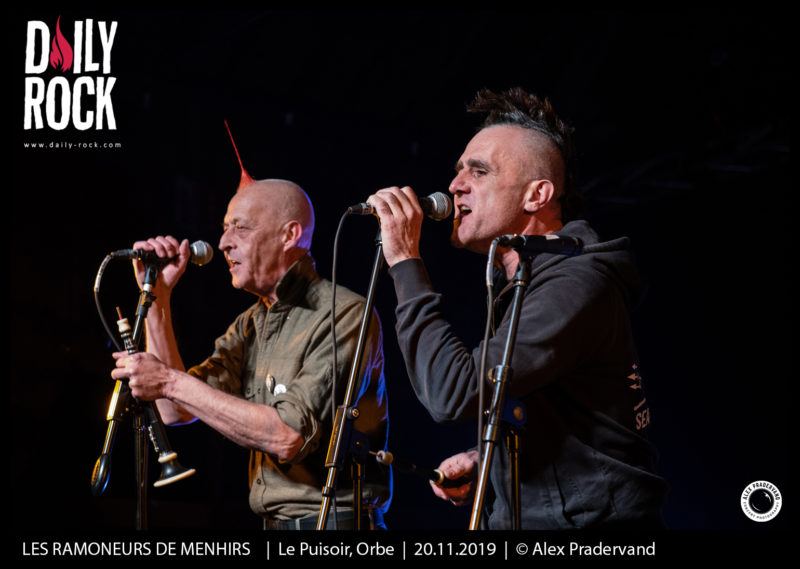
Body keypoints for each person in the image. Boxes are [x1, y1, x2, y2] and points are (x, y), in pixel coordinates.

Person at [366, 87, 667, 530]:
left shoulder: (575, 282)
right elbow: (559, 413)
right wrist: (491, 464)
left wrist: (406, 263)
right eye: (458, 171)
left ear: (536, 195)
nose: (455, 185)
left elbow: (453, 393)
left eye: (479, 171)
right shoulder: (524, 281)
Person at [111, 178, 391, 530]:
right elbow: (173, 408)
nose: (223, 242)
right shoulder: (250, 324)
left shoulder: (343, 313)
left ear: (289, 235)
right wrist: (159, 298)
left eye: (239, 227)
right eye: (224, 228)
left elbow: (288, 436)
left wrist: (168, 380)